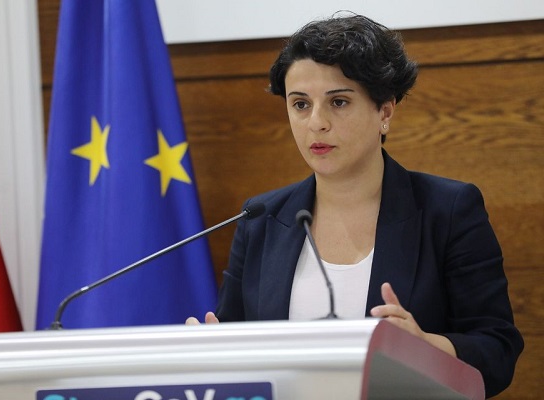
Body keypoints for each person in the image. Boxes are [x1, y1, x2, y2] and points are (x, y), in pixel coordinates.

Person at [186, 13, 523, 398]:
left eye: (339, 101)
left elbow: (498, 351)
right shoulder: (261, 218)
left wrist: (425, 346)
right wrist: (213, 351)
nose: (316, 123)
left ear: (385, 111)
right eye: (300, 104)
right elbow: (236, 341)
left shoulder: (448, 211)